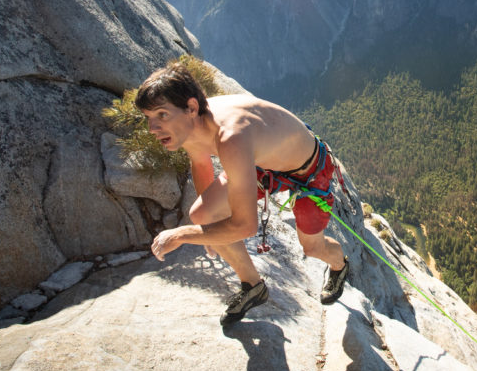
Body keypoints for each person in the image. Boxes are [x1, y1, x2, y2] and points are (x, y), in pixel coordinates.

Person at [136, 61, 349, 326]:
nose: (153, 128)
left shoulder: (231, 136)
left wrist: (181, 235)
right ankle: (253, 286)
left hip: (310, 170)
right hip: (263, 164)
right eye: (149, 118)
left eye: (161, 115)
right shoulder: (190, 125)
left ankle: (340, 266)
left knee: (312, 246)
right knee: (202, 213)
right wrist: (211, 227)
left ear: (191, 107)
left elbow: (246, 226)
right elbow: (201, 164)